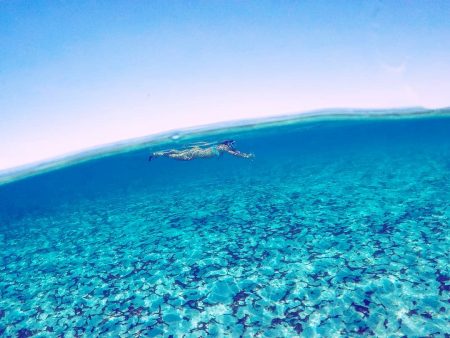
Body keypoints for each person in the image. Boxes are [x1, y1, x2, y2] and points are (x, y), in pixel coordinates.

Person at [149, 140, 254, 161]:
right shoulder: (223, 147)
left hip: (197, 151)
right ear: (227, 143)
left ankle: (161, 153)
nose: (234, 145)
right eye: (232, 144)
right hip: (197, 153)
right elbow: (234, 154)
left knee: (180, 153)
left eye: (234, 144)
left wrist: (245, 155)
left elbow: (236, 152)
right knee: (182, 157)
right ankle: (161, 153)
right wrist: (246, 157)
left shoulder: (224, 147)